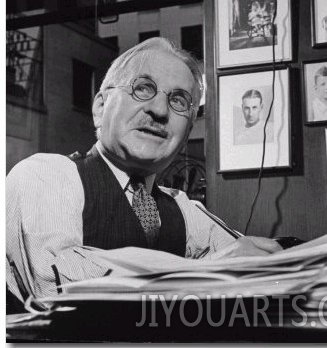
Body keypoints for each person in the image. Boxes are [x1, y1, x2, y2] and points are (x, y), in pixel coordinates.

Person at [6, 38, 281, 304]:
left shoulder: (184, 210)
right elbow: (60, 287)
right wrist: (207, 273)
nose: (160, 110)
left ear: (185, 136)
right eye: (143, 88)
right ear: (100, 108)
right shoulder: (45, 176)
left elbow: (253, 261)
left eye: (179, 101)